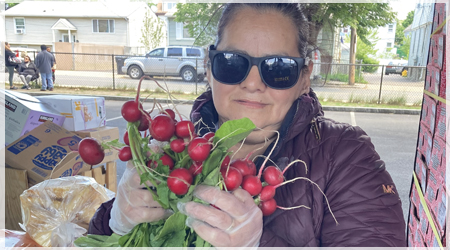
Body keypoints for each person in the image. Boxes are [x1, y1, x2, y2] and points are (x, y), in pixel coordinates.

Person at [88, 3, 406, 247]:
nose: (252, 83)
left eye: (278, 68)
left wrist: (259, 245)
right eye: (232, 63)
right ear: (209, 68)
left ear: (304, 79)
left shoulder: (346, 155)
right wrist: (114, 223)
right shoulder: (171, 151)